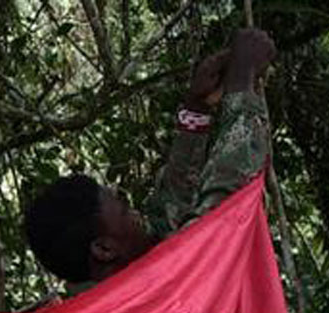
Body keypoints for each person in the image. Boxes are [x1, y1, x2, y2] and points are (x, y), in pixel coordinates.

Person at [23, 28, 277, 293]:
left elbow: (166, 221)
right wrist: (241, 83)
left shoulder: (108, 295)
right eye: (124, 210)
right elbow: (220, 220)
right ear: (105, 249)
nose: (136, 213)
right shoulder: (144, 300)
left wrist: (197, 108)